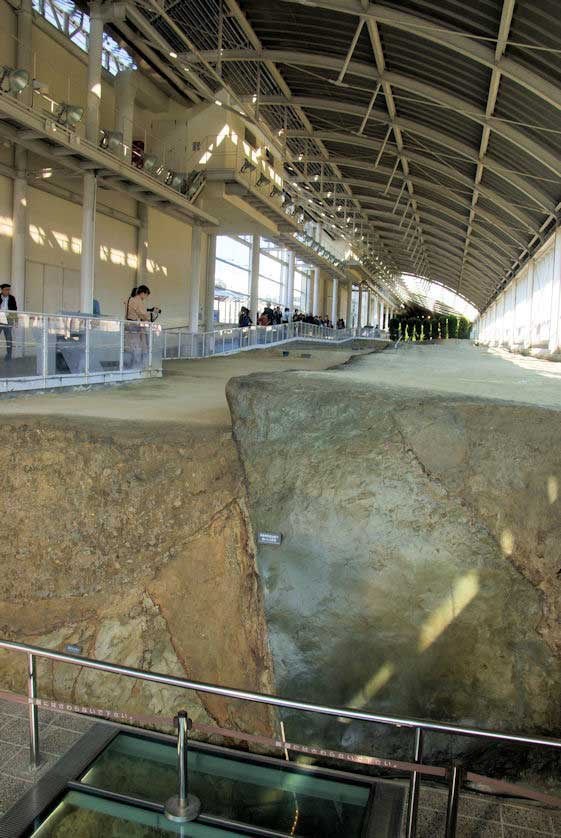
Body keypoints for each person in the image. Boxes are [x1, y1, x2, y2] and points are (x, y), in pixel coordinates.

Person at [125, 284, 159, 367]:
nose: (146, 297)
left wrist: (148, 311)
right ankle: (139, 365)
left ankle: (128, 365)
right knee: (139, 346)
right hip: (135, 326)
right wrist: (154, 314)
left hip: (128, 324)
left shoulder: (130, 299)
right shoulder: (138, 301)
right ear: (143, 293)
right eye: (146, 295)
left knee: (129, 346)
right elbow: (144, 315)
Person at [0, 283, 17, 361]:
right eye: (6, 290)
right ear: (2, 290)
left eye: (8, 290)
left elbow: (15, 310)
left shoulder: (12, 298)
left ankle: (9, 356)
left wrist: (16, 320)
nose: (8, 291)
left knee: (9, 338)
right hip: (0, 319)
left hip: (8, 319)